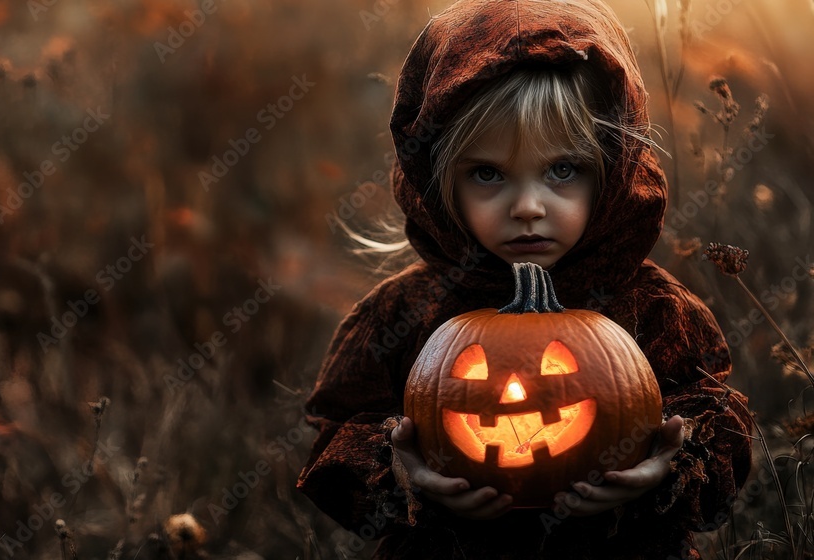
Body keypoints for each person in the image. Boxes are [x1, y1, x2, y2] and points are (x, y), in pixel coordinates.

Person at [296, 0, 754, 558]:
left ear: (611, 172)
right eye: (488, 174)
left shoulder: (655, 310)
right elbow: (336, 435)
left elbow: (718, 421)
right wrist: (403, 474)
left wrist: (671, 465)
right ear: (437, 183)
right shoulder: (403, 313)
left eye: (563, 170)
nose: (528, 206)